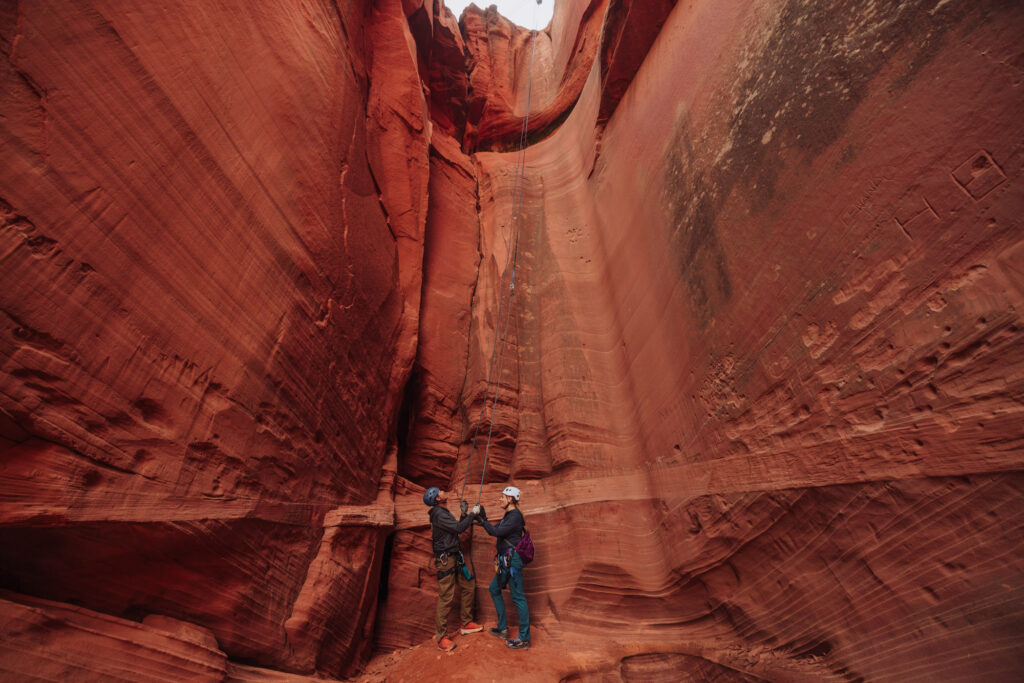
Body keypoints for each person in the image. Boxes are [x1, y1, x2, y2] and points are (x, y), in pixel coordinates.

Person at [424, 486, 484, 651]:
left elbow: (454, 528)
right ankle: (441, 637)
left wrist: (464, 515)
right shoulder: (438, 513)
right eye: (440, 492)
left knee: (468, 585)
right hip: (446, 560)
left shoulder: (442, 513)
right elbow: (458, 529)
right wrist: (473, 513)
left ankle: (466, 623)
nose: (443, 492)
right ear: (437, 498)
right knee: (446, 596)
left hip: (454, 556)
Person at [476, 485, 530, 649]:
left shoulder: (514, 517)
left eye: (503, 497)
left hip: (512, 561)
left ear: (511, 499)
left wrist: (483, 519)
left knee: (518, 597)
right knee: (494, 589)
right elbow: (494, 529)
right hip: (506, 561)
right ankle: (502, 629)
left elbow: (496, 533)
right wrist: (481, 519)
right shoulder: (508, 515)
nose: (500, 499)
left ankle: (524, 639)